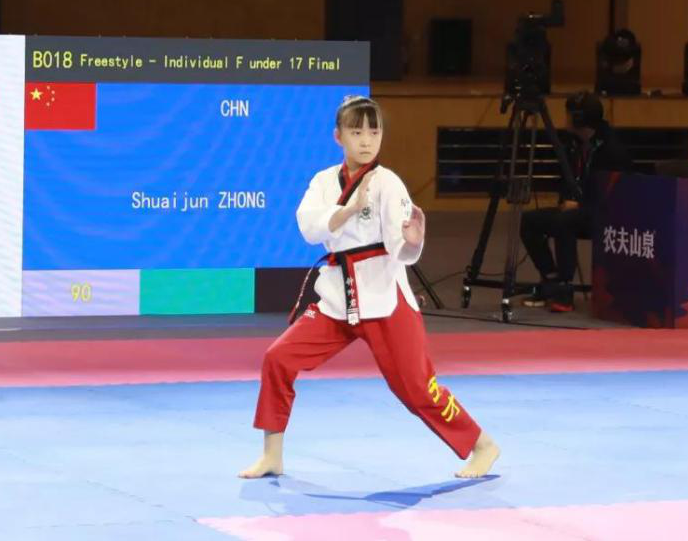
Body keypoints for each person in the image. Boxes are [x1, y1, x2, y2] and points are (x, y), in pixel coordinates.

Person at [239, 96, 499, 479]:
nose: (366, 141)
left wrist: (412, 241)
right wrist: (347, 210)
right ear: (338, 136)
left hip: (384, 298)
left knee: (416, 389)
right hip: (337, 299)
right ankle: (272, 455)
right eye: (356, 132)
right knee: (278, 358)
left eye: (374, 132)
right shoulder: (323, 181)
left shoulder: (388, 183)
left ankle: (481, 444)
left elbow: (399, 247)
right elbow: (308, 227)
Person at [519, 91, 632, 312]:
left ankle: (564, 289)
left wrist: (580, 205)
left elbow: (614, 194)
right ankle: (551, 279)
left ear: (580, 119)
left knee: (565, 221)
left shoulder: (612, 150)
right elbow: (567, 178)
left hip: (604, 212)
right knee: (529, 221)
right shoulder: (573, 143)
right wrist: (567, 199)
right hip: (577, 208)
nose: (566, 119)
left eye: (569, 114)